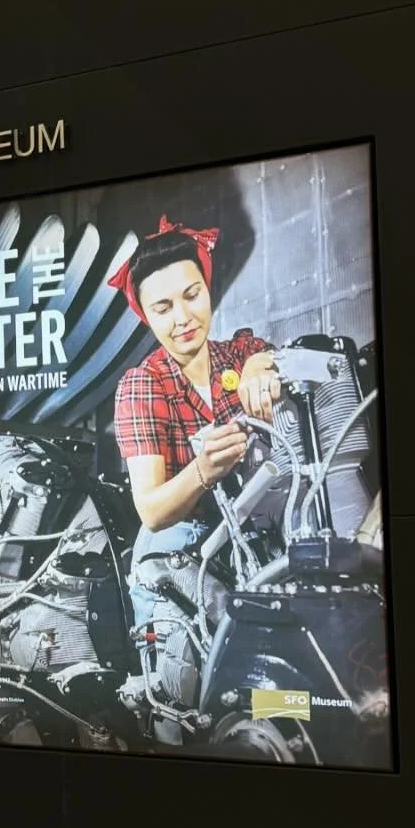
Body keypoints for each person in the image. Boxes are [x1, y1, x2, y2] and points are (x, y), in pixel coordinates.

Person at [108, 217, 281, 631]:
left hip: (257, 541)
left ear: (207, 288)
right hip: (181, 555)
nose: (183, 318)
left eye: (192, 295)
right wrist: (203, 470)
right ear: (146, 316)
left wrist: (262, 366)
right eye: (163, 308)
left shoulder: (239, 354)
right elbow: (151, 510)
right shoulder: (143, 386)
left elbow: (264, 354)